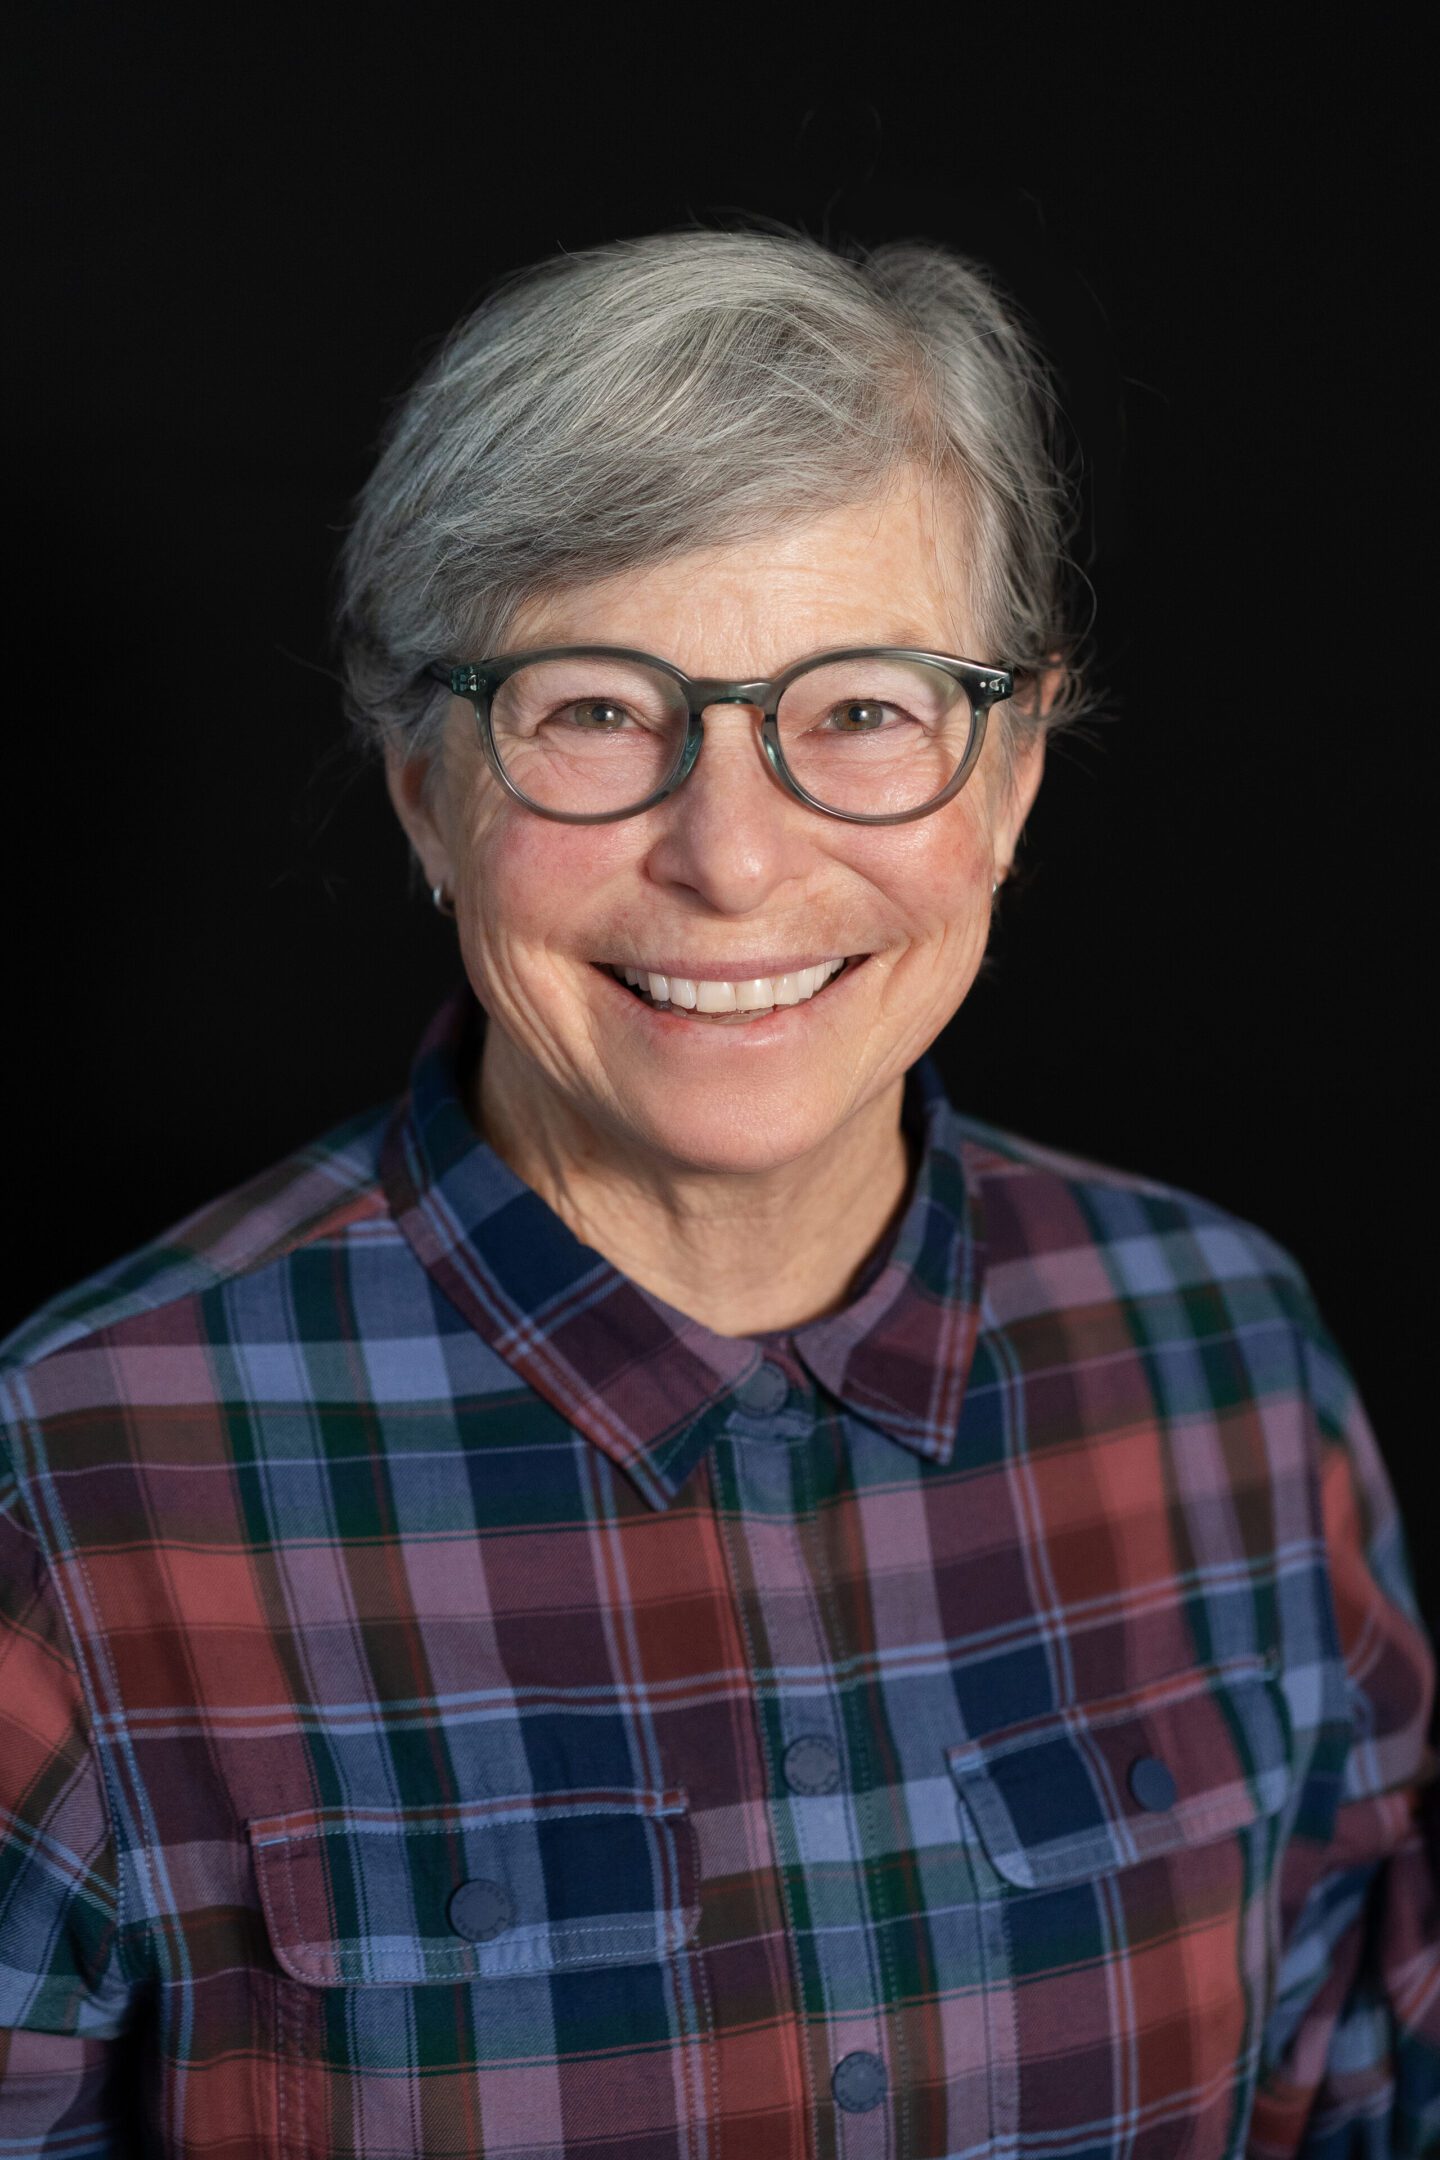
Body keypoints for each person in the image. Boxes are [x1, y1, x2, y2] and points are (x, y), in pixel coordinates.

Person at [0, 224, 1435, 2160]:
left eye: (860, 710)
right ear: (429, 788)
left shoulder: (1228, 1364)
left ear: (1005, 777)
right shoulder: (76, 1478)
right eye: (595, 711)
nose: (734, 862)